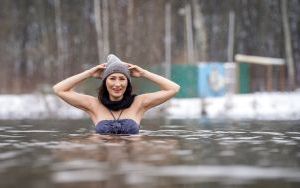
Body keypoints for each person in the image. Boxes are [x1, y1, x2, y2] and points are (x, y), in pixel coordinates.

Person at [53, 54, 180, 135]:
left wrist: (144, 73)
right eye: (112, 78)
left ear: (128, 83)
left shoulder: (139, 103)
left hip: (132, 163)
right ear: (105, 82)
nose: (117, 84)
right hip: (103, 160)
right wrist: (88, 74)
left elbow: (173, 88)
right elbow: (59, 89)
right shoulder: (93, 105)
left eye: (122, 78)